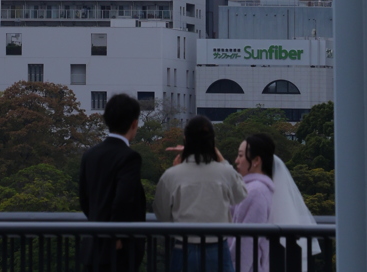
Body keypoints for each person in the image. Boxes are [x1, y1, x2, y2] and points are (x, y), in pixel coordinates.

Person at [152, 116, 246, 272]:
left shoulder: (172, 175)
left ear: (186, 139)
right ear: (212, 141)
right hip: (218, 247)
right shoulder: (224, 172)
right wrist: (221, 160)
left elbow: (162, 214)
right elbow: (240, 194)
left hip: (183, 247)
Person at [79, 93, 147, 269]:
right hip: (119, 251)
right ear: (134, 123)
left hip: (93, 245)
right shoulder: (129, 157)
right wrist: (116, 234)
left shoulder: (90, 155)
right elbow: (124, 199)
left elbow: (84, 199)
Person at [229, 134, 276, 272]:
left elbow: (247, 243)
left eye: (241, 155)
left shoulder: (255, 191)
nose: (236, 160)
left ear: (256, 160)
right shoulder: (255, 189)